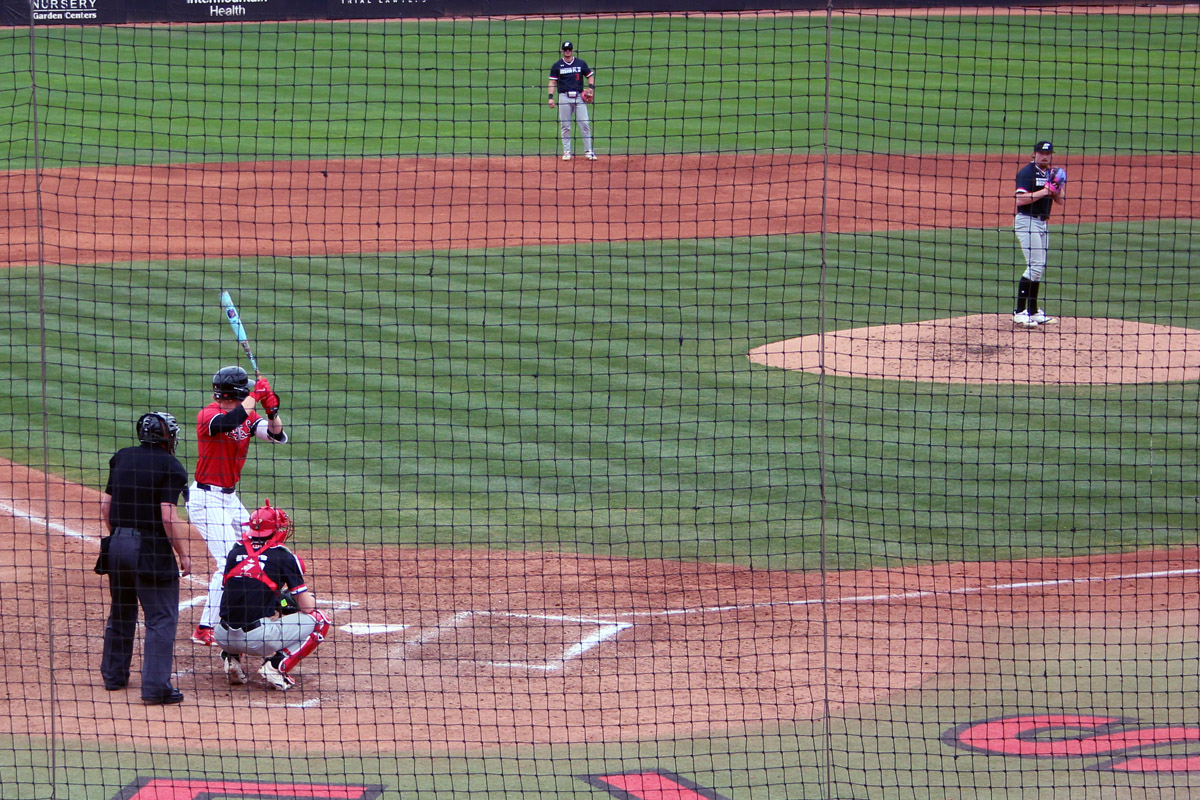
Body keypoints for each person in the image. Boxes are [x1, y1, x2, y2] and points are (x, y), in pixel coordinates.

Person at [98, 412, 197, 705]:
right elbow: (168, 515)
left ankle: (114, 676)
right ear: (167, 436)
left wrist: (120, 537)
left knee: (121, 611)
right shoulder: (172, 466)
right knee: (161, 617)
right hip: (150, 549)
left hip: (116, 546)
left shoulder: (122, 457)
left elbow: (106, 506)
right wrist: (183, 554)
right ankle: (156, 689)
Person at [186, 365, 287, 647]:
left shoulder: (250, 414)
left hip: (229, 500)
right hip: (206, 500)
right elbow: (227, 423)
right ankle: (205, 628)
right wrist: (256, 395)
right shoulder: (208, 414)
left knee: (257, 547)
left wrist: (272, 411)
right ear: (239, 390)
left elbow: (275, 435)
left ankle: (260, 608)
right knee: (228, 561)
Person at [215, 500, 331, 690]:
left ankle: (231, 658)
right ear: (277, 530)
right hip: (256, 639)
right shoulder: (284, 556)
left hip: (222, 635)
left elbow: (239, 590)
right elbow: (307, 607)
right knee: (320, 620)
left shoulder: (234, 551)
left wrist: (276, 599)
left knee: (239, 603)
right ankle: (276, 666)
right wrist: (288, 600)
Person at [1011, 139, 1066, 327]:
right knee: (1034, 265)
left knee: (1039, 266)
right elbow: (1020, 200)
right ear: (1034, 154)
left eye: (1048, 153)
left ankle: (1033, 311)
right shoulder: (1027, 173)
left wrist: (1056, 188)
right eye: (1042, 153)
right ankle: (1019, 312)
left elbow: (1059, 201)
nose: (1045, 156)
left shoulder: (1050, 173)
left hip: (1042, 223)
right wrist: (1045, 191)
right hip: (1027, 221)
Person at [548, 40, 596, 161]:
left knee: (585, 124)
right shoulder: (557, 65)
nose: (567, 52)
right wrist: (550, 98)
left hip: (580, 98)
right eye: (565, 50)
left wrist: (590, 89)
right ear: (562, 51)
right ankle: (567, 151)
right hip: (564, 97)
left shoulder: (580, 63)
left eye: (569, 49)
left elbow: (590, 76)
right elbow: (552, 82)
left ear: (572, 50)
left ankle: (589, 151)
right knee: (565, 126)